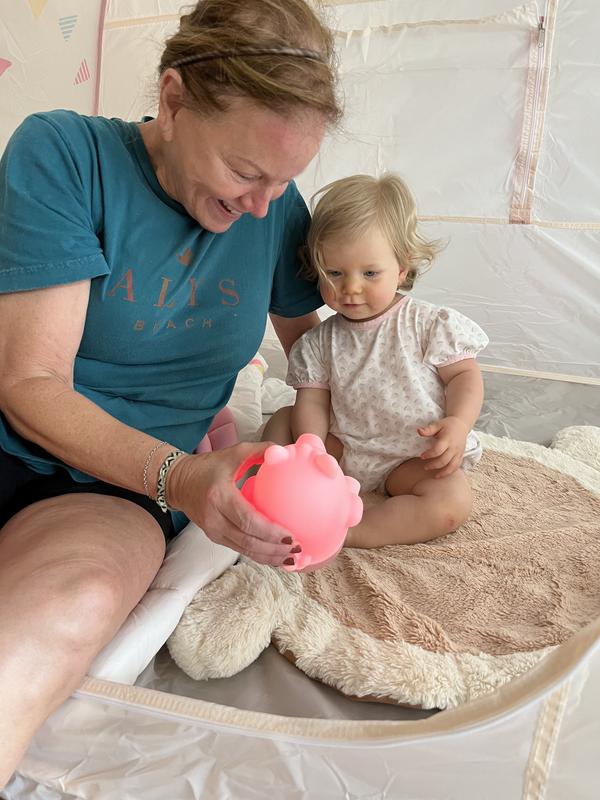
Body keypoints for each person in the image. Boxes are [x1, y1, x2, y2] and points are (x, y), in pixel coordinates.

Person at [0, 0, 341, 784]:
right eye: (246, 172)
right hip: (39, 437)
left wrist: (411, 398)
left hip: (108, 491)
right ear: (175, 98)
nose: (262, 205)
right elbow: (29, 382)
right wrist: (186, 478)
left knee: (76, 600)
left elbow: (318, 356)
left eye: (285, 180)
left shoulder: (277, 211)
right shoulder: (65, 152)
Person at [263, 173, 489, 549]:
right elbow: (313, 401)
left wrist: (459, 423)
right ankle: (277, 490)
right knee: (284, 419)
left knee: (452, 501)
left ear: (401, 268)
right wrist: (311, 447)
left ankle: (350, 532)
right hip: (342, 450)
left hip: (411, 457)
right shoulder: (320, 341)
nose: (350, 287)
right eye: (334, 273)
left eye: (370, 273)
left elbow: (464, 375)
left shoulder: (428, 324)